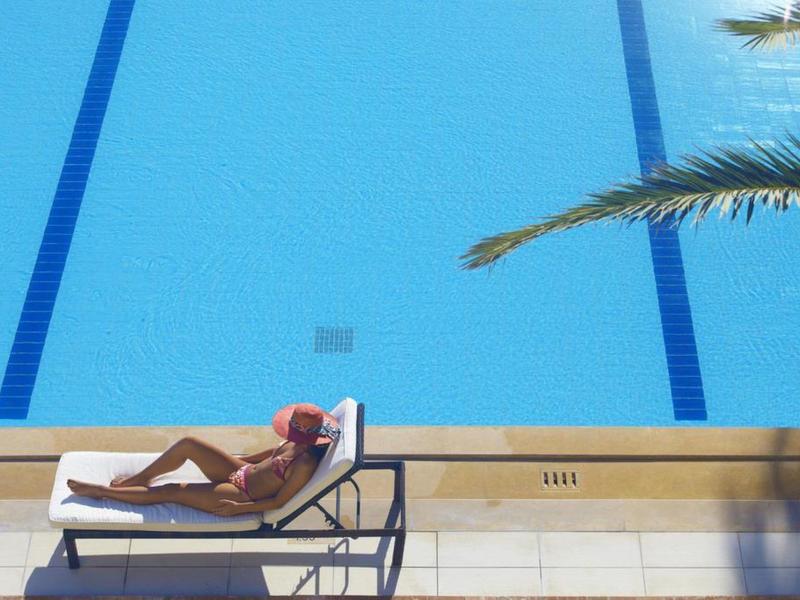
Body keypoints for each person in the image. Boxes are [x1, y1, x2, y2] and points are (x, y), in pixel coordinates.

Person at [66, 403, 340, 517]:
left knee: (172, 491)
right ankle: (139, 479)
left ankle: (103, 492)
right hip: (242, 472)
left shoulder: (305, 465)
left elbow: (280, 502)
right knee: (190, 444)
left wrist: (238, 509)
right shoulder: (298, 441)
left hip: (241, 493)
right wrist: (234, 461)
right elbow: (269, 456)